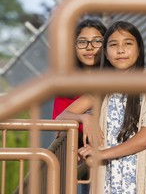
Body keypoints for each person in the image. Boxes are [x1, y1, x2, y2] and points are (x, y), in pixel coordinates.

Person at [56, 21, 146, 194]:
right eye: (113, 45)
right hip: (108, 179)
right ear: (106, 53)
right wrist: (84, 118)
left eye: (128, 44)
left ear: (139, 50)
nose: (120, 50)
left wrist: (102, 154)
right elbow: (61, 117)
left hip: (140, 178)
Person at [52, 16, 107, 194]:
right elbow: (59, 123)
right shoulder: (66, 83)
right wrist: (85, 117)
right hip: (84, 159)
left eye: (97, 41)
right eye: (82, 42)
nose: (90, 47)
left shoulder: (117, 76)